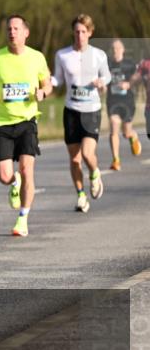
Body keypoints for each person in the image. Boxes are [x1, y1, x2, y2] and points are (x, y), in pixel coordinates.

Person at [0, 15, 52, 237]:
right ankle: (14, 183)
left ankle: (22, 218)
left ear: (26, 32)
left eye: (16, 29)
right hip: (2, 122)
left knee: (26, 169)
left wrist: (42, 92)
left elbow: (47, 84)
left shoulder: (37, 57)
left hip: (27, 121)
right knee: (5, 176)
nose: (11, 32)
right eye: (9, 29)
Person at [51, 14, 111, 213]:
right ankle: (81, 196)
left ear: (90, 33)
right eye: (76, 32)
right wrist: (46, 84)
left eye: (83, 32)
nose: (80, 35)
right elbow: (57, 79)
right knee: (75, 159)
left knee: (87, 153)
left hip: (91, 111)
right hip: (71, 111)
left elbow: (107, 75)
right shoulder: (63, 55)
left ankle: (95, 173)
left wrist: (102, 83)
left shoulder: (99, 55)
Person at [106, 38, 142, 170]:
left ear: (123, 50)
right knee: (114, 125)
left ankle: (133, 136)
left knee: (126, 132)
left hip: (127, 101)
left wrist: (129, 84)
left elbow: (138, 76)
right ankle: (116, 160)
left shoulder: (130, 64)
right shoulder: (107, 64)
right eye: (113, 49)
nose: (115, 51)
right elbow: (102, 77)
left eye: (118, 48)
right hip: (112, 101)